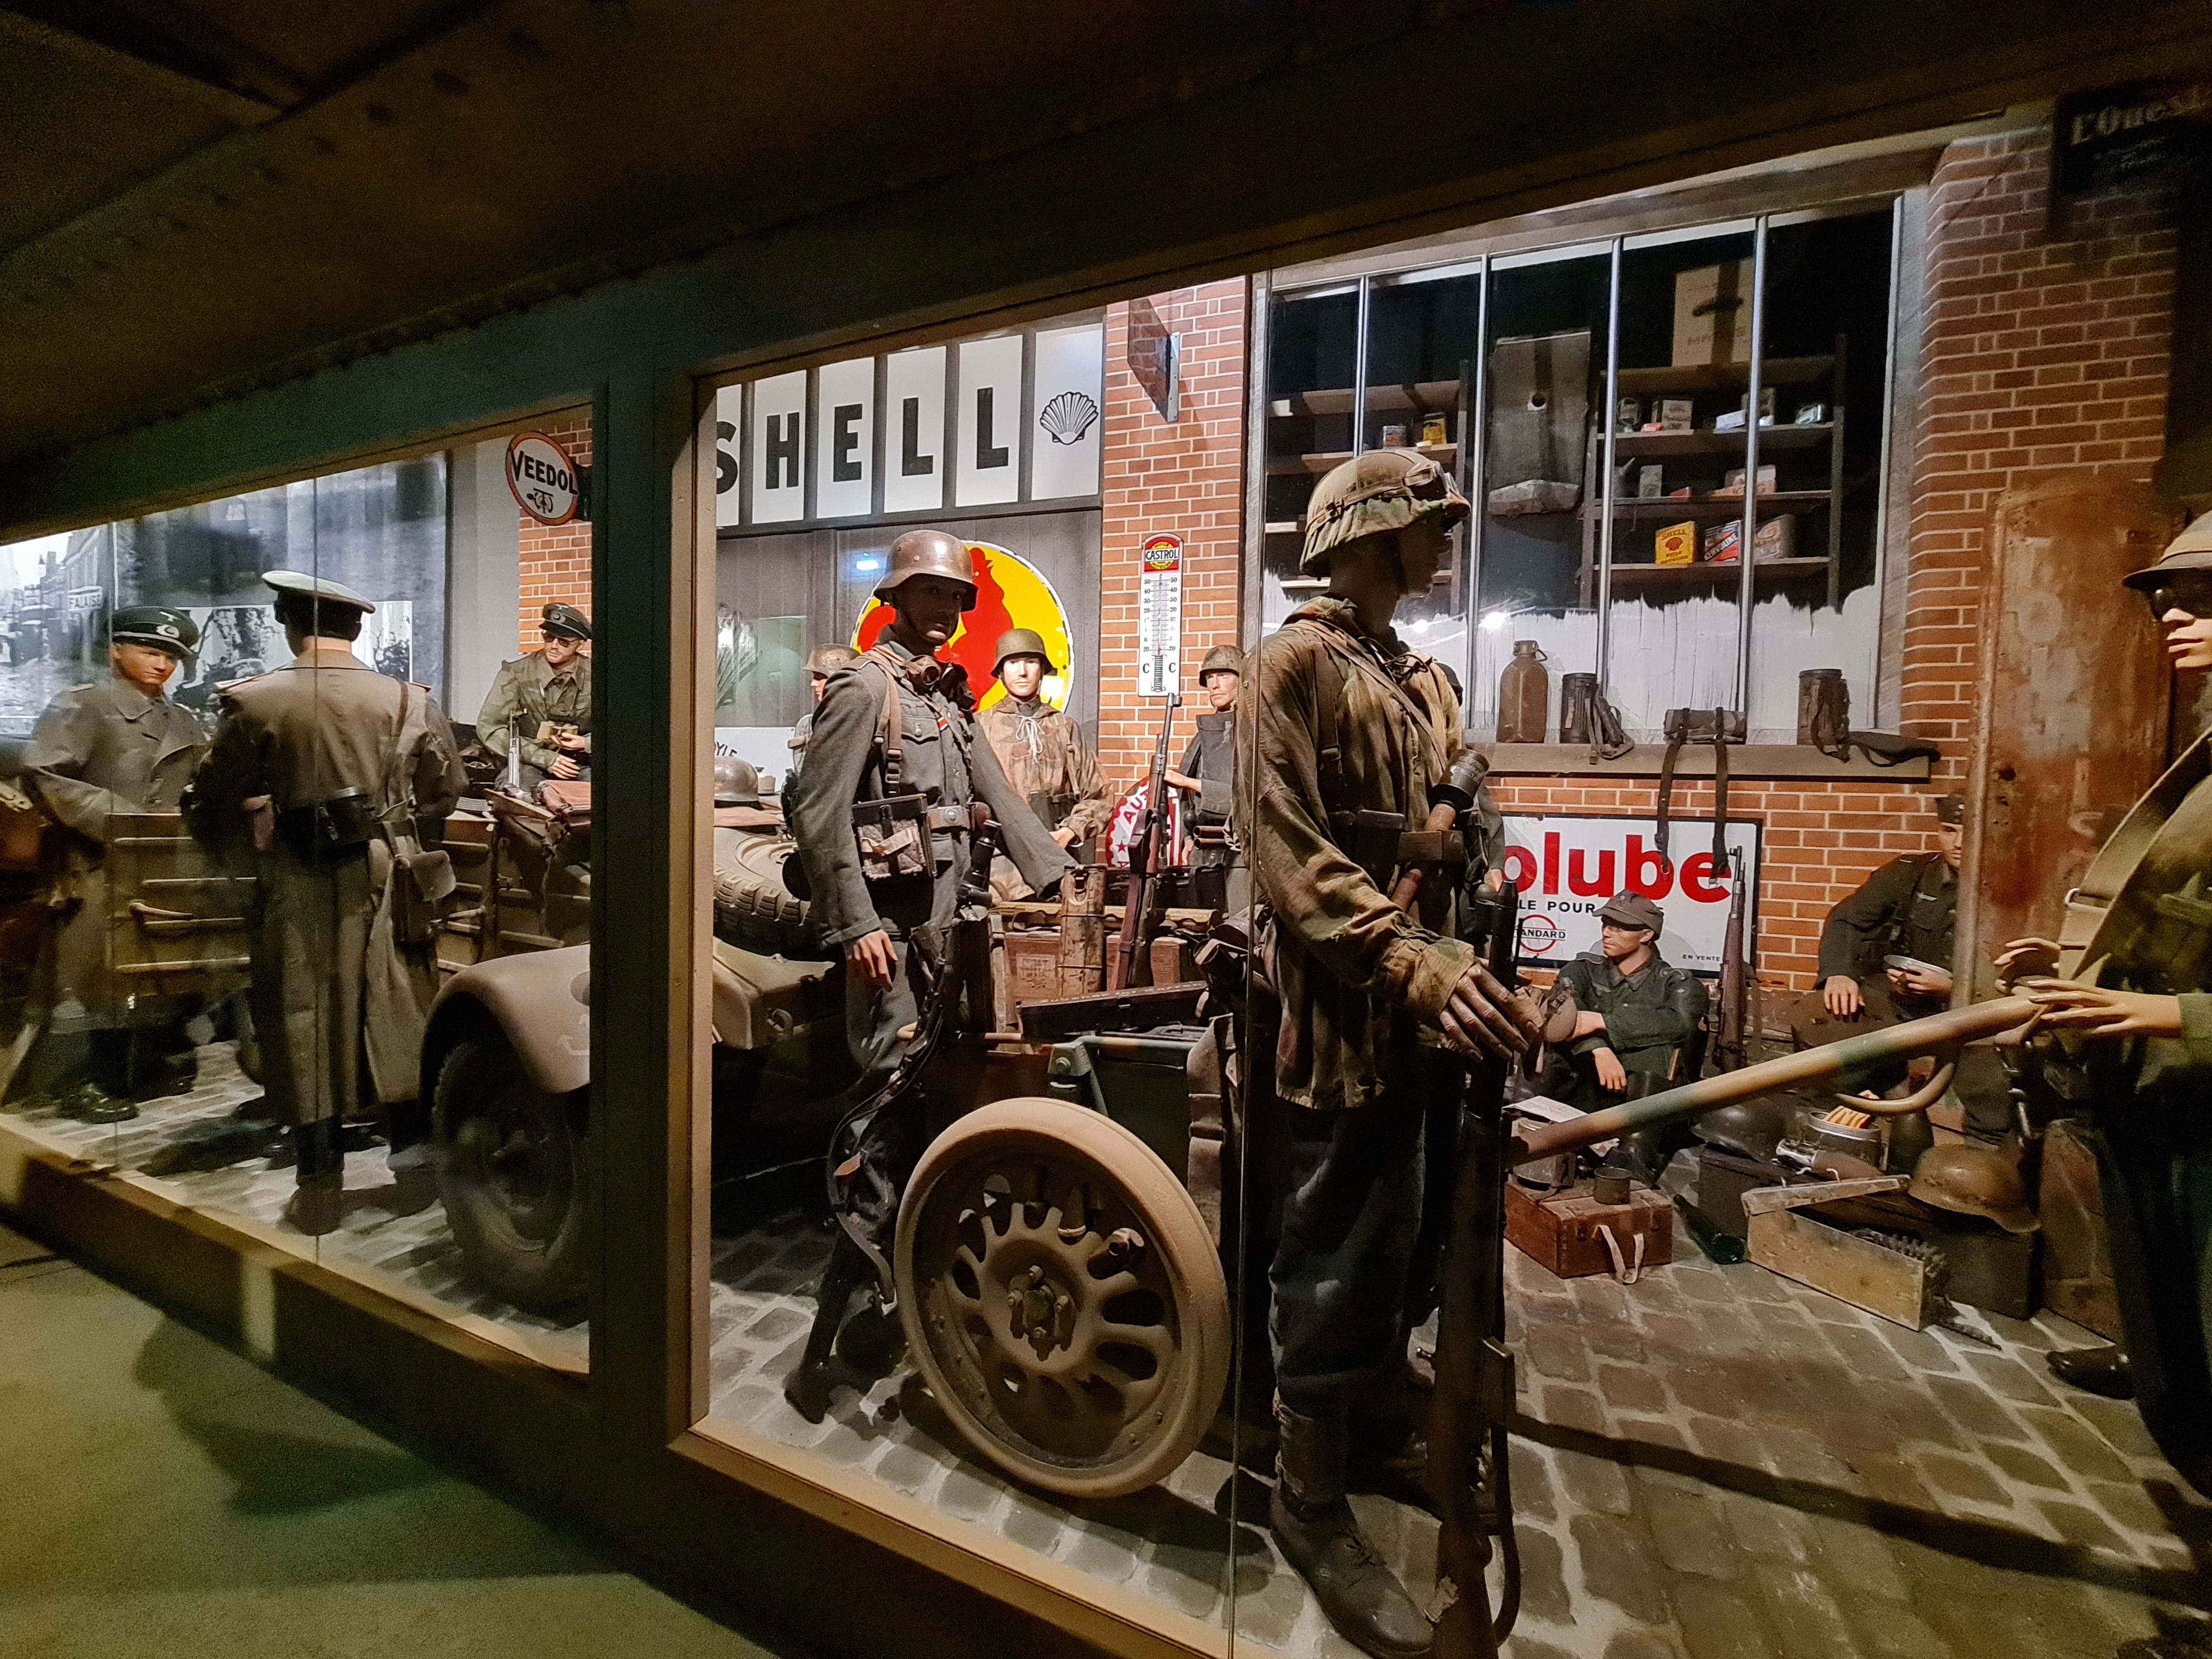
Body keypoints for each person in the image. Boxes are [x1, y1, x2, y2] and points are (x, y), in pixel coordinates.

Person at [1246, 449, 1533, 1659]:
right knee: (1340, 1241)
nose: (1443, 540)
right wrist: (1410, 960)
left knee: (1413, 1231)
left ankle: (1374, 1421)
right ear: (1368, 536)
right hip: (1347, 1006)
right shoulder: (1292, 666)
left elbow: (1475, 818)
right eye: (1428, 523)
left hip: (1432, 1004)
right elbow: (1285, 850)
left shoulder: (1423, 677)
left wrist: (1481, 879)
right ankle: (1306, 1488)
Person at [783, 529, 1073, 1420]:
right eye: (931, 594)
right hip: (891, 945)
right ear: (898, 598)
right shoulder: (865, 689)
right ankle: (824, 1350)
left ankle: (896, 1308)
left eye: (956, 597)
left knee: (929, 1122)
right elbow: (819, 813)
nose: (946, 610)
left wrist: (1057, 876)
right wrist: (856, 925)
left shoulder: (946, 696)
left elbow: (999, 796)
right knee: (881, 1135)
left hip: (948, 936)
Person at [1990, 514, 2212, 1487]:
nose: (2174, 613)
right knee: (2168, 1320)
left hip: (2193, 1081)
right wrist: (2086, 967)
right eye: (2169, 596)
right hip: (2160, 1090)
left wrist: (2175, 1017)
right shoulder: (2204, 746)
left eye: (2205, 596)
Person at [181, 572, 464, 1235]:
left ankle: (318, 1189)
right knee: (397, 1008)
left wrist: (249, 838)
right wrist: (399, 829)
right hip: (391, 874)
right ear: (357, 629)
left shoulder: (256, 701)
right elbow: (445, 789)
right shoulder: (409, 700)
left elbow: (210, 797)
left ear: (288, 625)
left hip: (299, 873)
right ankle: (413, 1171)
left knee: (303, 1015)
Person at [20, 606, 210, 1120]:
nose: (162, 664)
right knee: (99, 976)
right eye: (150, 651)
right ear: (116, 651)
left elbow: (199, 784)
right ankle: (96, 1080)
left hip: (161, 863)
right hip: (96, 862)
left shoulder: (183, 719)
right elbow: (43, 772)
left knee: (150, 970)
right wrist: (120, 818)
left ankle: (140, 1065)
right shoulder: (85, 705)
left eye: (172, 657)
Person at [1806, 792, 1962, 1030]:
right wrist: (1839, 973)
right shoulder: (1909, 873)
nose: (1958, 843)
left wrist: (1954, 988)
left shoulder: (2015, 894)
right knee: (1818, 1018)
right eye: (1949, 830)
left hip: (1972, 1012)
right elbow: (1847, 919)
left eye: (1969, 832)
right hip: (1902, 1003)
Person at [1539, 893, 1706, 1110]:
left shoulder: (1676, 984)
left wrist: (1603, 1021)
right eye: (1606, 925)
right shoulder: (1581, 970)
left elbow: (1679, 1024)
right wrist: (1598, 1048)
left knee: (1657, 1051)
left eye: (1619, 929)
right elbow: (1561, 1012)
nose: (1607, 933)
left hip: (1641, 1103)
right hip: (1578, 1091)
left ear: (1646, 935)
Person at [977, 627, 1111, 899]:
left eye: (1031, 662)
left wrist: (1070, 830)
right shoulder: (981, 727)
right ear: (1000, 672)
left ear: (1042, 670)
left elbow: (1099, 795)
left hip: (1059, 864)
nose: (1022, 672)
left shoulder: (1064, 728)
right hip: (1000, 871)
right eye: (1013, 663)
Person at [476, 601, 591, 788]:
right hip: (528, 763)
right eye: (549, 637)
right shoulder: (516, 673)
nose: (554, 646)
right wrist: (543, 758)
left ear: (580, 644)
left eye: (564, 641)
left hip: (582, 763)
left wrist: (586, 743)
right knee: (519, 794)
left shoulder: (596, 675)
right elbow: (490, 728)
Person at [1165, 643, 1246, 906]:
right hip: (1203, 852)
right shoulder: (1207, 732)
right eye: (1210, 678)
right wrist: (1188, 837)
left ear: (1242, 680)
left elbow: (1244, 797)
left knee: (1236, 923)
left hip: (1238, 854)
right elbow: (1186, 799)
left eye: (1224, 676)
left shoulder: (1253, 732)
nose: (1215, 685)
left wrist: (1188, 782)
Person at [786, 642, 857, 790]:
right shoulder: (808, 724)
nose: (813, 684)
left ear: (840, 679)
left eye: (820, 677)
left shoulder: (863, 722)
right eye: (814, 677)